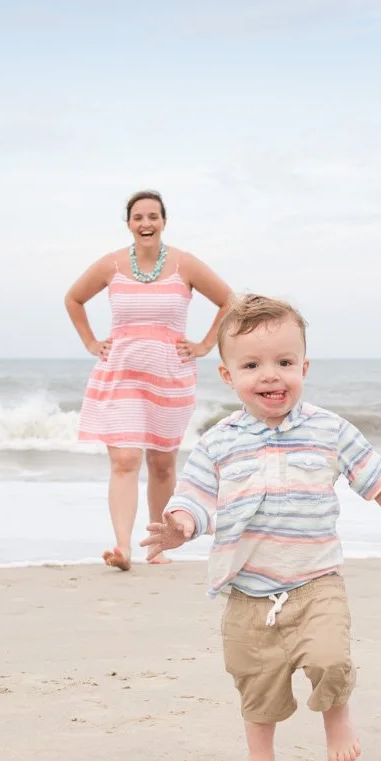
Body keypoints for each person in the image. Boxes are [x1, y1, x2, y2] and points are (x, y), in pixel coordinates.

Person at [142, 294, 381, 761]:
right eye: (252, 365)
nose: (270, 376)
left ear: (304, 365)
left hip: (315, 580)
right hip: (248, 592)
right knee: (256, 685)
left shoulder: (328, 430)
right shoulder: (219, 442)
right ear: (226, 374)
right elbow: (194, 497)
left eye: (284, 363)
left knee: (330, 659)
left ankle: (336, 717)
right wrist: (179, 527)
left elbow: (377, 475)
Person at [66, 190, 236, 571]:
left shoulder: (185, 265)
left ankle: (156, 547)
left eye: (153, 217)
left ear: (164, 221)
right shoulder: (110, 264)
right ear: (128, 223)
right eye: (138, 217)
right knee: (125, 458)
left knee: (161, 464)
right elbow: (73, 299)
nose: (146, 224)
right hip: (121, 373)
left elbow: (229, 300)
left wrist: (206, 344)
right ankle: (123, 547)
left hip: (169, 376)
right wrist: (92, 342)